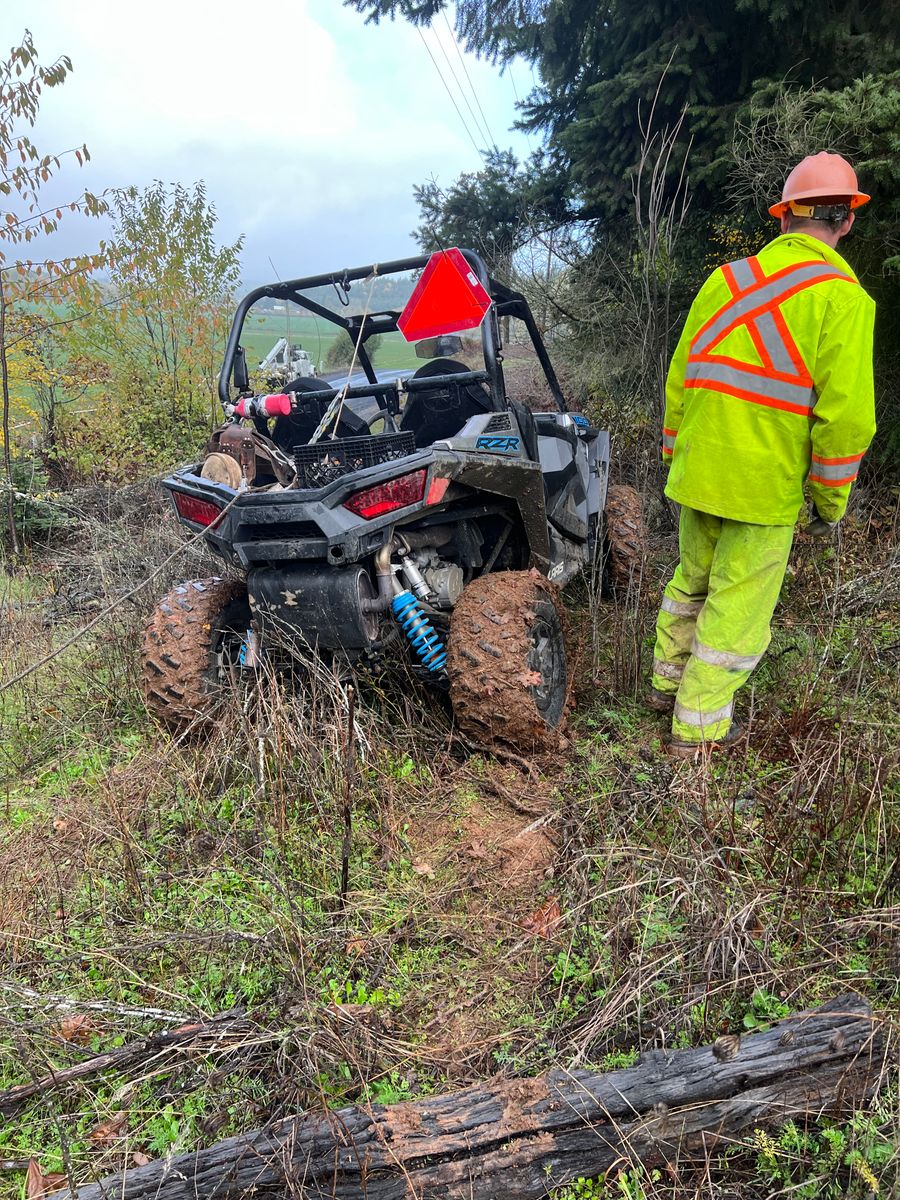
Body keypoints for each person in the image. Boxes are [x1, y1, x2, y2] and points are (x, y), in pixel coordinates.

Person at [649, 152, 876, 758]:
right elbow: (847, 419)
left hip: (699, 470)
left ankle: (663, 687)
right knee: (736, 609)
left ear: (783, 219)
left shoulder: (726, 280)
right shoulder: (844, 301)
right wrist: (830, 503)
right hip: (763, 486)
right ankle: (696, 735)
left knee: (689, 583)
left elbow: (681, 376)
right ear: (847, 221)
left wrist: (677, 454)